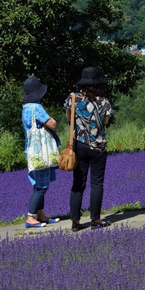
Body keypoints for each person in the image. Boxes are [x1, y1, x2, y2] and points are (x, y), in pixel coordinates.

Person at [64, 66, 114, 232]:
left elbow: (68, 117)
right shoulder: (104, 101)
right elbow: (106, 121)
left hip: (78, 144)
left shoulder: (73, 98)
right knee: (97, 184)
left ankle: (75, 221)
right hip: (98, 146)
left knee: (78, 183)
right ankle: (95, 219)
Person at [22, 76, 61, 228]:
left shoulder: (25, 108)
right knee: (41, 187)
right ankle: (31, 217)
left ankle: (40, 214)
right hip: (41, 151)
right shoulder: (36, 107)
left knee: (39, 184)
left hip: (32, 150)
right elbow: (52, 124)